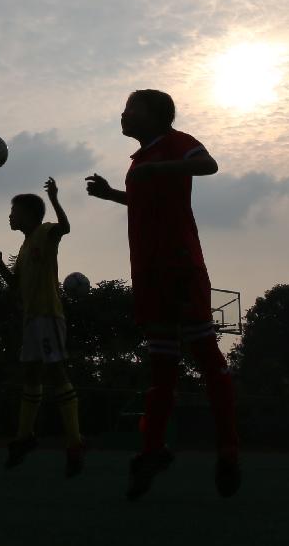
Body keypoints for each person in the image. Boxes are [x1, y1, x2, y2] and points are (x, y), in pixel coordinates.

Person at [86, 89, 241, 499]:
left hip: (180, 267)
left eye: (130, 108)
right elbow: (144, 203)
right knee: (161, 370)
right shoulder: (138, 162)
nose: (122, 114)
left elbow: (209, 165)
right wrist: (111, 195)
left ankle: (228, 450)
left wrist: (158, 171)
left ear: (155, 116)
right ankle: (153, 451)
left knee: (206, 357)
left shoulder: (175, 143)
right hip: (150, 273)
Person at [0, 177, 85, 477]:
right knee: (30, 374)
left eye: (14, 210)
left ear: (29, 215)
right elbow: (15, 286)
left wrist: (54, 198)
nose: (10, 215)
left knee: (56, 373)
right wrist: (0, 264)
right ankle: (25, 437)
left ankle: (74, 443)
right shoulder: (26, 244)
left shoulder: (44, 232)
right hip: (31, 320)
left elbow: (64, 228)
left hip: (48, 315)